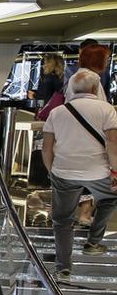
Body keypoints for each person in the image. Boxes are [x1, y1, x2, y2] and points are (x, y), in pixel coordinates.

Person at [42, 69, 117, 278]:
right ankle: (93, 242)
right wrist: (115, 171)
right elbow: (112, 143)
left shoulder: (57, 112)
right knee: (110, 198)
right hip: (97, 172)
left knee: (62, 219)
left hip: (63, 172)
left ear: (72, 88)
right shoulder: (107, 109)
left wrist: (52, 172)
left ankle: (63, 266)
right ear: (95, 88)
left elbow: (47, 148)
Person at [32, 52, 68, 117]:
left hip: (46, 112)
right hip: (57, 112)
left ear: (50, 64)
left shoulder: (47, 79)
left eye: (45, 63)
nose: (43, 66)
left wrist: (34, 95)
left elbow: (43, 97)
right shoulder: (60, 79)